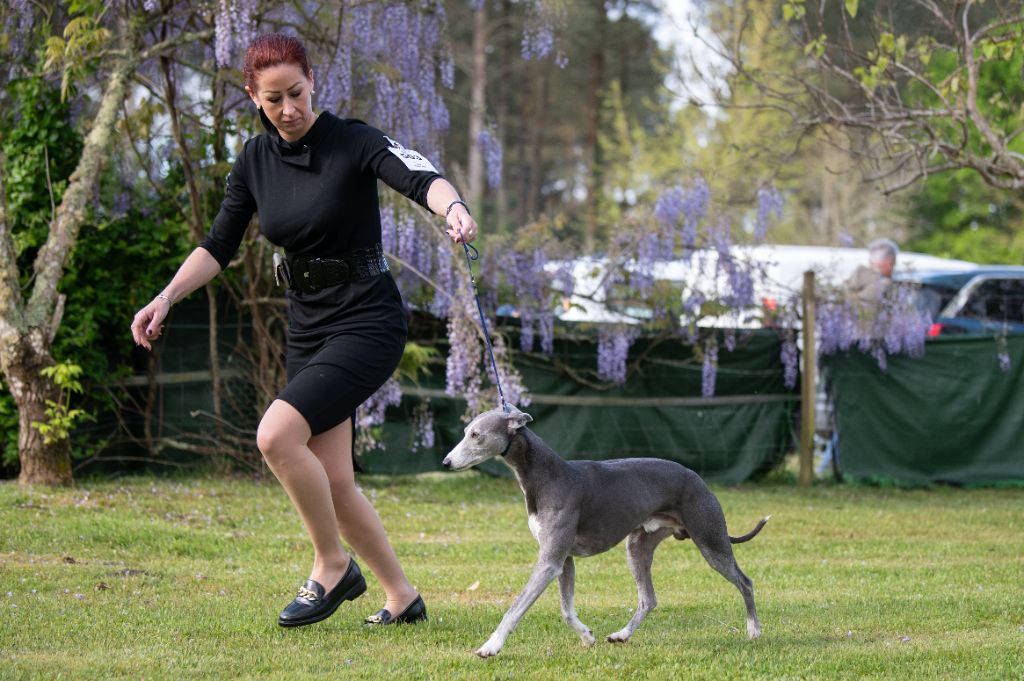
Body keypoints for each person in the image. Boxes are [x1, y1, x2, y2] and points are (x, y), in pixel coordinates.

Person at [130, 33, 478, 628]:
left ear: (312, 81)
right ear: (253, 97)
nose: (288, 109)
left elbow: (423, 178)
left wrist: (453, 209)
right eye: (273, 100)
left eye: (296, 93)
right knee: (335, 482)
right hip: (308, 325)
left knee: (275, 437)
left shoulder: (354, 140)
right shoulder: (253, 160)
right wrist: (165, 297)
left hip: (367, 319)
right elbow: (217, 244)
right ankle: (401, 596)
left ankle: (331, 565)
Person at [845, 238, 899, 317]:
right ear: (888, 263)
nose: (893, 267)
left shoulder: (850, 283)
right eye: (893, 263)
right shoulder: (885, 285)